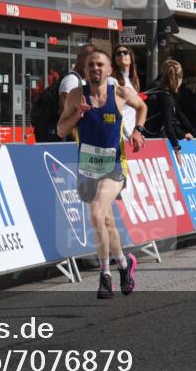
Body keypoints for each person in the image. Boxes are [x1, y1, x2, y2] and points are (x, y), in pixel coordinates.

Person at [57, 50, 147, 299]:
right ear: (85, 72)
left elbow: (142, 107)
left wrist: (138, 131)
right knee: (106, 221)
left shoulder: (119, 93)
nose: (95, 69)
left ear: (109, 71)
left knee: (97, 212)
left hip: (115, 167)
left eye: (100, 65)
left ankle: (105, 276)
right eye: (90, 66)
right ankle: (124, 264)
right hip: (88, 169)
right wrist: (78, 114)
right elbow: (61, 129)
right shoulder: (76, 96)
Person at [142, 60, 196, 159]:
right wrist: (177, 148)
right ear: (178, 78)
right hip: (153, 140)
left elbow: (178, 113)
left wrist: (194, 133)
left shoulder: (167, 93)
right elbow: (168, 126)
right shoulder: (165, 96)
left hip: (150, 138)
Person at [58, 43, 97, 121]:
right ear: (79, 57)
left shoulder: (83, 80)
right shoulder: (71, 80)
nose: (91, 61)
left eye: (93, 58)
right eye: (88, 56)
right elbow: (63, 113)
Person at [111, 44, 141, 137]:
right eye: (118, 53)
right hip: (121, 136)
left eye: (125, 52)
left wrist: (137, 132)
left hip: (133, 135)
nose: (122, 55)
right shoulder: (113, 81)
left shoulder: (133, 81)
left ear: (131, 58)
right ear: (115, 60)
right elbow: (116, 112)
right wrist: (129, 134)